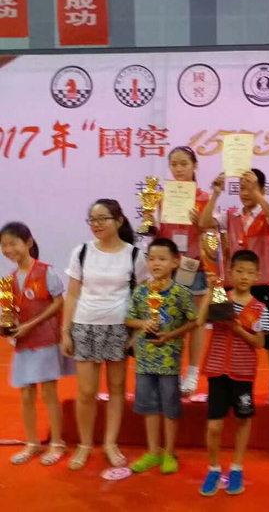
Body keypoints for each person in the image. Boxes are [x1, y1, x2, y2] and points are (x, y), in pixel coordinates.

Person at [62, 199, 149, 469]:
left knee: (116, 389)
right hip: (85, 325)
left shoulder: (134, 255)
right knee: (86, 391)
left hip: (119, 327)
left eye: (103, 218)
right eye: (92, 219)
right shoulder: (82, 252)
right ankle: (85, 444)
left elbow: (144, 296)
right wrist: (66, 332)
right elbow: (72, 294)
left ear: (119, 221)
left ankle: (111, 443)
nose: (96, 224)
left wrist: (137, 332)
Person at [200, 169, 269, 404]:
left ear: (261, 190)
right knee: (225, 326)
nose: (245, 193)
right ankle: (221, 378)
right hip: (231, 283)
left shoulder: (265, 213)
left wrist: (257, 194)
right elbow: (204, 223)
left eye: (250, 187)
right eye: (242, 188)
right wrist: (216, 193)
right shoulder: (230, 215)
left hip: (260, 282)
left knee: (268, 332)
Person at [198, 250, 269, 497]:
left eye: (250, 272)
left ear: (257, 276)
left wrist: (238, 329)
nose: (244, 276)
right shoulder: (222, 298)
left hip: (243, 373)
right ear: (230, 272)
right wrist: (210, 291)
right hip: (218, 370)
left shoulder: (260, 308)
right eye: (239, 271)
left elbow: (260, 343)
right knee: (214, 426)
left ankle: (237, 467)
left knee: (243, 420)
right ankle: (213, 468)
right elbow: (200, 320)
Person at [0, 222, 73, 466]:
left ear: (29, 242)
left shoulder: (45, 272)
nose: (9, 250)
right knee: (26, 395)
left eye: (13, 243)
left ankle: (57, 443)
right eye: (4, 246)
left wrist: (31, 325)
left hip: (45, 341)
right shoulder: (8, 281)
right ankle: (32, 443)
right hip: (23, 344)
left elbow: (59, 303)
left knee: (49, 393)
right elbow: (10, 313)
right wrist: (7, 326)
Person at [126, 238, 198, 474]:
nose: (156, 263)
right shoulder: (141, 291)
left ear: (175, 262)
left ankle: (169, 452)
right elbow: (129, 319)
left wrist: (171, 335)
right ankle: (152, 451)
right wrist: (143, 323)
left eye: (162, 259)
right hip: (144, 360)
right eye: (152, 258)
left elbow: (193, 321)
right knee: (149, 407)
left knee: (170, 407)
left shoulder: (181, 293)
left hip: (169, 362)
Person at [158, 146, 210, 395]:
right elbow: (157, 232)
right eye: (174, 164)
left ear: (194, 166)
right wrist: (149, 216)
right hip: (170, 267)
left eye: (184, 164)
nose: (178, 169)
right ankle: (173, 370)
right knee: (170, 319)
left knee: (196, 321)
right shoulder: (162, 197)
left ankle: (192, 372)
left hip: (194, 265)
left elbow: (212, 235)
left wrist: (201, 225)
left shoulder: (204, 198)